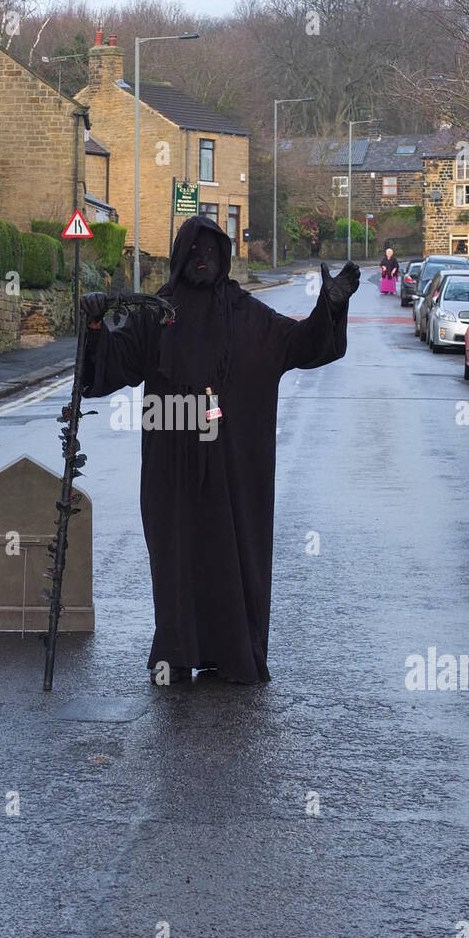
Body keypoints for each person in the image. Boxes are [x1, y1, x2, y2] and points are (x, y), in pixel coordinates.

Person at [80, 214, 360, 685]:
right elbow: (112, 365)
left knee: (232, 560)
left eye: (211, 251)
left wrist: (327, 309)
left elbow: (298, 346)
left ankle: (234, 654)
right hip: (171, 471)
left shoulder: (247, 315)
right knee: (175, 561)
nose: (202, 259)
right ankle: (176, 653)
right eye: (193, 251)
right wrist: (93, 327)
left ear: (225, 258)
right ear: (179, 258)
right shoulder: (157, 313)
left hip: (233, 471)